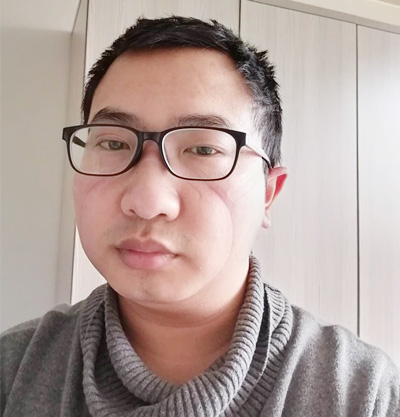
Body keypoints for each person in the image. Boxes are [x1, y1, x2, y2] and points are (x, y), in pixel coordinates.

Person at [1, 16, 399, 417]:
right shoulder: (13, 370)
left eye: (203, 150)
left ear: (268, 193)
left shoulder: (364, 394)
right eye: (114, 143)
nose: (147, 201)